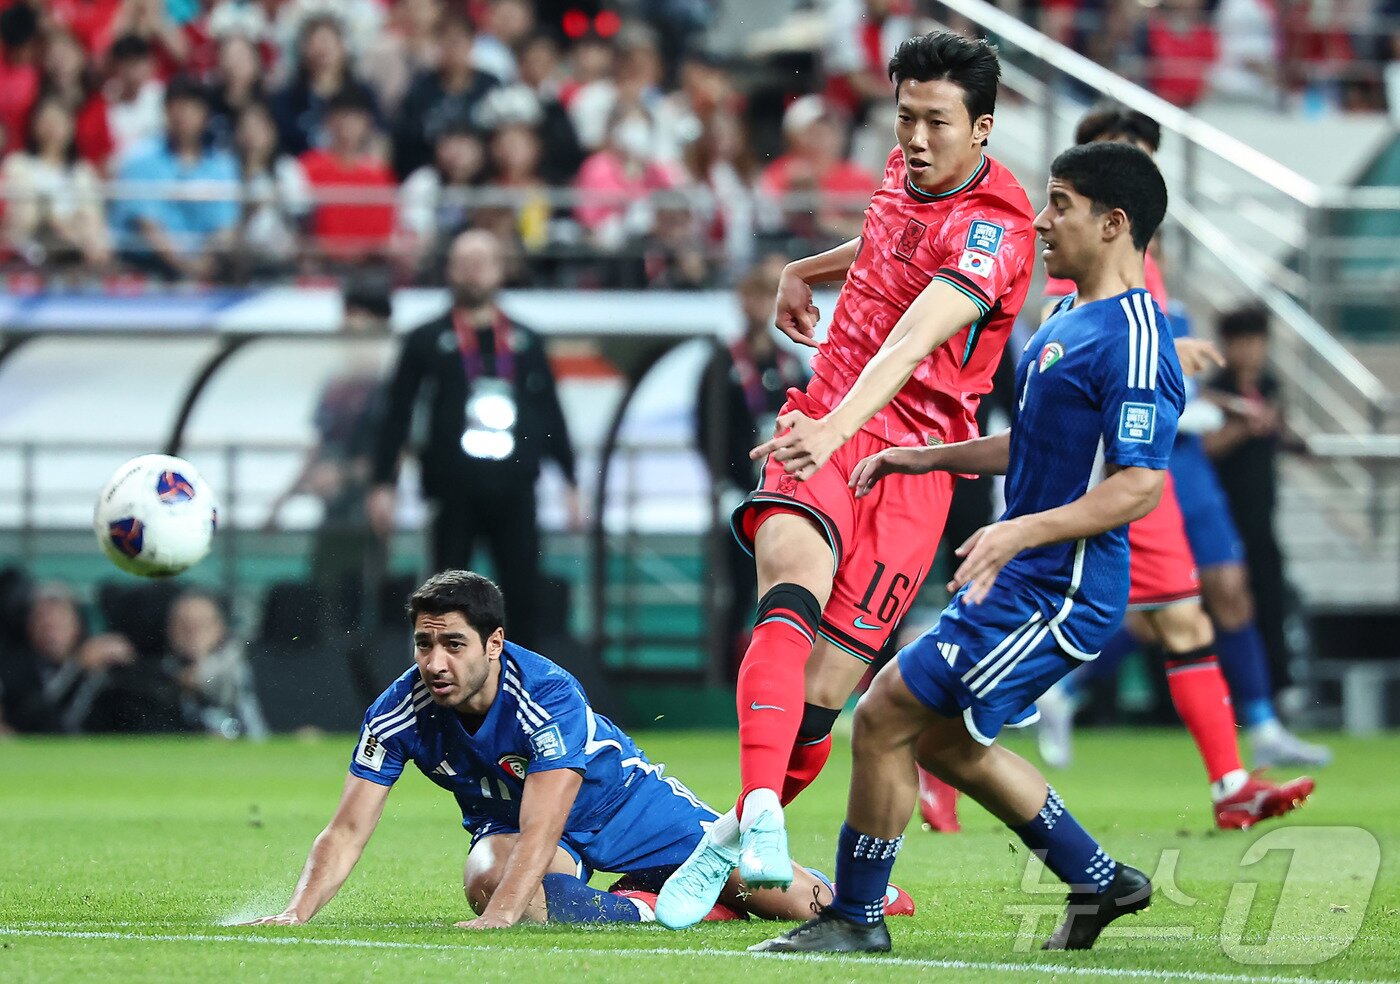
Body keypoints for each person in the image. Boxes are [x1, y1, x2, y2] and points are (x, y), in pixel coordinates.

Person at [753, 140, 1179, 955]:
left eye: (1061, 205)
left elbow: (1138, 486)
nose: (1043, 221)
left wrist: (1020, 528)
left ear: (1114, 222)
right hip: (1023, 577)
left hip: (1061, 587)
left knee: (880, 717)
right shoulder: (1067, 317)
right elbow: (1039, 445)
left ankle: (855, 917)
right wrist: (927, 456)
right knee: (946, 742)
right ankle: (1097, 878)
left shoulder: (1134, 339)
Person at [654, 31, 1037, 928]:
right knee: (789, 581)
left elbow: (914, 335)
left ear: (981, 128)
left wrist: (840, 427)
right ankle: (755, 814)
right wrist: (803, 269)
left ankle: (734, 834)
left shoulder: (998, 226)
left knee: (826, 696)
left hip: (907, 466)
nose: (914, 138)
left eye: (936, 123)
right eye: (904, 116)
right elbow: (884, 243)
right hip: (820, 421)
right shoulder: (904, 176)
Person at [240, 570, 903, 927]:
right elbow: (349, 827)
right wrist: (295, 912)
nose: (434, 662)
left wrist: (504, 922)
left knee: (783, 900)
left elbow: (549, 816)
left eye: (452, 645)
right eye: (423, 644)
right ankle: (643, 909)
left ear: (493, 645)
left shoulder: (544, 693)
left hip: (627, 807)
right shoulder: (398, 712)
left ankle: (849, 893)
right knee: (487, 875)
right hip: (528, 831)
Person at [1034, 103, 1328, 775]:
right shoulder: (1078, 248)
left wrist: (1176, 359)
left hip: (1167, 452)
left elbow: (1141, 339)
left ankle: (1247, 753)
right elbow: (1088, 332)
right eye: (1123, 150)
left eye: (1144, 153)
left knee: (1201, 602)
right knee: (1129, 612)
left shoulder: (1147, 249)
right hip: (1117, 453)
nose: (1138, 166)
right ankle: (978, 717)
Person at [369, 229, 580, 652]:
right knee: (447, 596)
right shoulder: (426, 339)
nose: (473, 272)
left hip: (516, 489)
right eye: (464, 262)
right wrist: (382, 484)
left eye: (482, 261)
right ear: (449, 270)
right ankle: (448, 694)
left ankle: (522, 695)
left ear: (501, 269)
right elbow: (398, 413)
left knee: (523, 592)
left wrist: (571, 480)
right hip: (452, 491)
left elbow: (550, 411)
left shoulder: (525, 341)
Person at [696, 260, 808, 674]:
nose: (757, 305)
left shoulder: (789, 362)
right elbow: (704, 429)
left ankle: (782, 672)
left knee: (784, 584)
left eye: (765, 296)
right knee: (737, 589)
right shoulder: (721, 362)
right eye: (750, 296)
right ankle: (725, 679)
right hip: (739, 494)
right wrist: (724, 480)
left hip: (784, 493)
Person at [1204, 307, 1298, 693]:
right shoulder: (1216, 390)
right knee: (1225, 609)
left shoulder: (1270, 386)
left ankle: (1273, 696)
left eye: (1257, 342)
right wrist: (1244, 427)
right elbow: (1204, 448)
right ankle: (1230, 694)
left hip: (1263, 517)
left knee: (1270, 604)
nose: (1250, 351)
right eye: (1242, 342)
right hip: (1224, 518)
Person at [109, 76, 239, 280]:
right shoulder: (140, 160)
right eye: (176, 108)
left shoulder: (221, 166)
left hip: (209, 270)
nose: (183, 116)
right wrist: (187, 268)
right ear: (165, 112)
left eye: (191, 108)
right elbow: (148, 225)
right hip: (148, 267)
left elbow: (225, 228)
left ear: (205, 115)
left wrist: (205, 266)